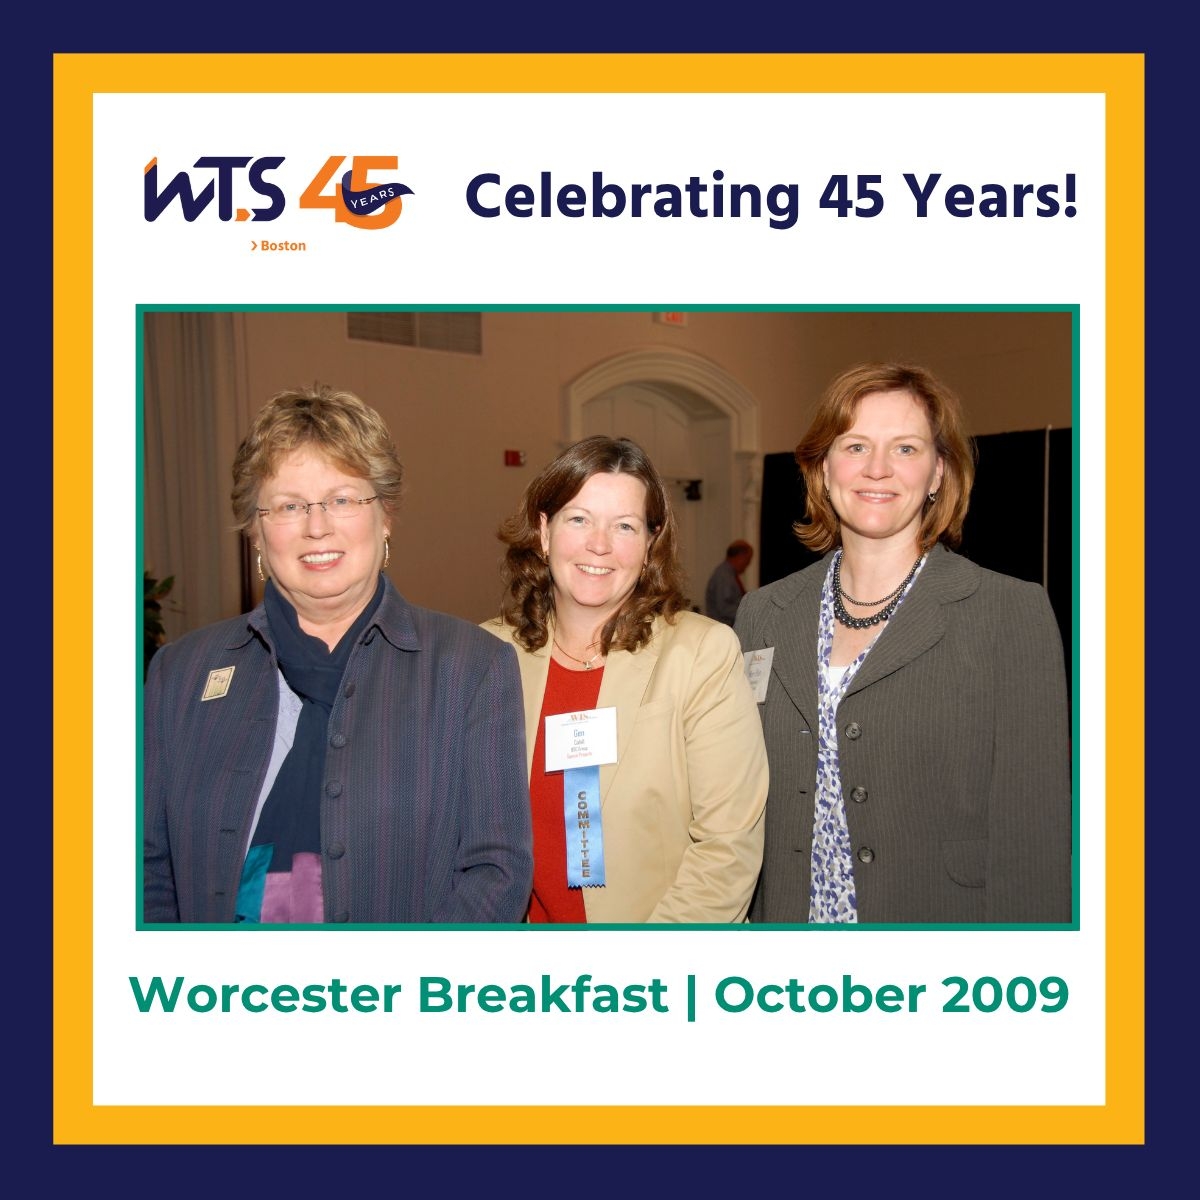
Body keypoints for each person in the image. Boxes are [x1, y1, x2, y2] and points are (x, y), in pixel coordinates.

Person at [143, 386, 533, 924]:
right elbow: (144, 869)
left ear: (386, 516)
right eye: (288, 505)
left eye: (344, 499)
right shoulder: (180, 674)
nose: (317, 526)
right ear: (255, 531)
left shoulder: (471, 669)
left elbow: (497, 870)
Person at [736, 363, 1071, 924]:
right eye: (856, 445)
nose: (877, 470)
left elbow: (1031, 835)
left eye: (906, 449)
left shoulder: (1008, 612)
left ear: (939, 471)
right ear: (822, 467)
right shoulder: (762, 614)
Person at [483, 435, 767, 923]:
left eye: (625, 526)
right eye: (579, 519)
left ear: (649, 543)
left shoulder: (699, 654)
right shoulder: (489, 656)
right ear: (544, 531)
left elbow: (728, 846)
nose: (599, 544)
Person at [704, 539, 754, 626]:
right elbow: (724, 608)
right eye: (748, 559)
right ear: (741, 556)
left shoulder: (728, 574)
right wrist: (750, 613)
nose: (748, 564)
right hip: (721, 629)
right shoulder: (723, 576)